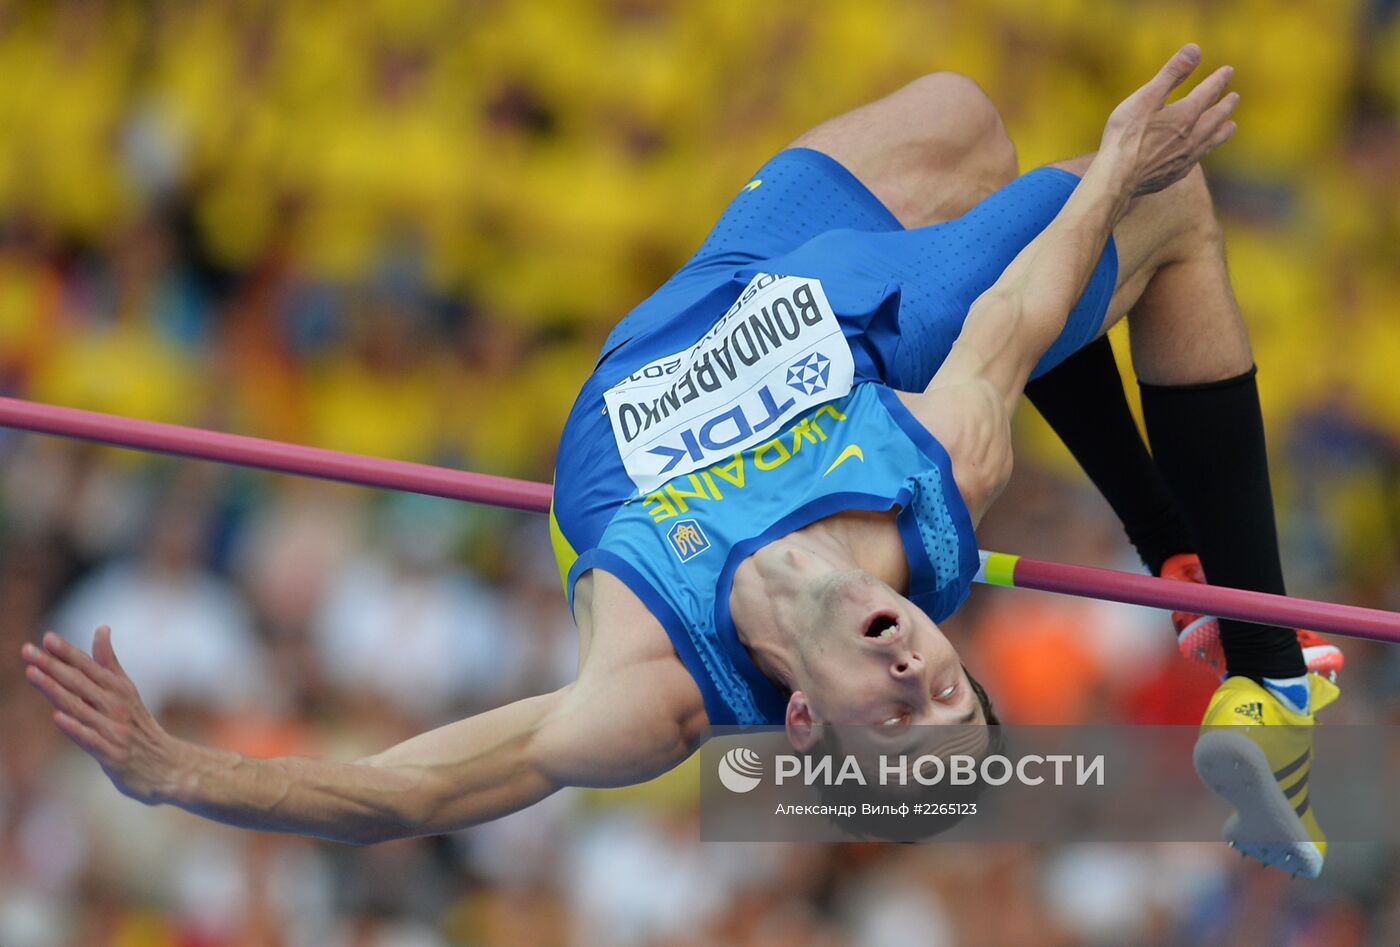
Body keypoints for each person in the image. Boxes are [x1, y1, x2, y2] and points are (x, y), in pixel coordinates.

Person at [20, 45, 1336, 875]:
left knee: (1159, 206)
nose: (920, 677)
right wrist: (1109, 169)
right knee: (970, 124)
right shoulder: (936, 493)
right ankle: (1185, 562)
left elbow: (400, 792)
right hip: (851, 328)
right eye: (952, 693)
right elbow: (1013, 321)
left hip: (680, 337)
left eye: (900, 720)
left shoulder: (651, 695)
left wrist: (173, 771)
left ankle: (1267, 681)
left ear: (809, 721)